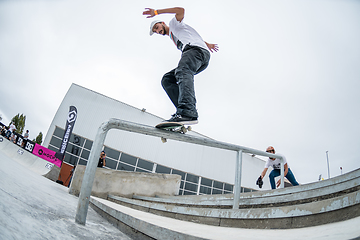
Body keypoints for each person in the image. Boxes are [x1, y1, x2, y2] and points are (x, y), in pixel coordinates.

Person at [143, 7, 218, 124]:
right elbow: (193, 36)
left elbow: (181, 10)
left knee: (182, 71)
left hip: (195, 51)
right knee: (167, 79)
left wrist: (156, 12)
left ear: (162, 23)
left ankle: (187, 112)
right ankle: (182, 112)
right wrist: (207, 44)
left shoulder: (173, 25)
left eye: (157, 28)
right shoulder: (175, 35)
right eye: (156, 31)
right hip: (200, 56)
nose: (158, 31)